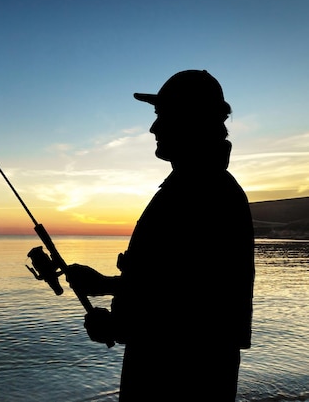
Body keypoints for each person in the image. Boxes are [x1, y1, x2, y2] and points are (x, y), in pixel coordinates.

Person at [66, 70, 255, 401]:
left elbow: (192, 307)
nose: (154, 128)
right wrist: (106, 285)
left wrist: (117, 327)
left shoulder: (205, 192)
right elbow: (174, 278)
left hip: (178, 379)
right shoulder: (193, 186)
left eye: (162, 116)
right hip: (177, 369)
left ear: (190, 119)